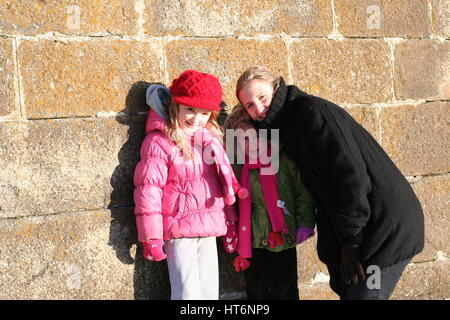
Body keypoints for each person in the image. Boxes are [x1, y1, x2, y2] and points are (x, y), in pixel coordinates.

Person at [234, 66, 425, 300]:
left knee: (366, 296)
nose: (258, 109)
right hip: (358, 230)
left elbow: (351, 178)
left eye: (262, 97)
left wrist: (352, 242)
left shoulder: (312, 112)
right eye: (249, 105)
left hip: (384, 226)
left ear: (276, 88)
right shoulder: (283, 128)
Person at [133, 70, 244, 300]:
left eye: (204, 113)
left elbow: (223, 183)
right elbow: (148, 190)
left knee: (209, 293)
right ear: (176, 106)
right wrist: (151, 237)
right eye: (190, 110)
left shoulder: (210, 139)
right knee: (187, 294)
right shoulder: (160, 141)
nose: (196, 119)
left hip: (209, 227)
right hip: (180, 230)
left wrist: (230, 222)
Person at [223, 106, 316, 300]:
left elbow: (302, 193)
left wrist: (305, 223)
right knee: (257, 291)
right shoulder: (238, 169)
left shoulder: (283, 161)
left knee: (285, 290)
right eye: (244, 140)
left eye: (254, 135)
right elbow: (231, 204)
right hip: (253, 242)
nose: (252, 143)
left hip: (284, 238)